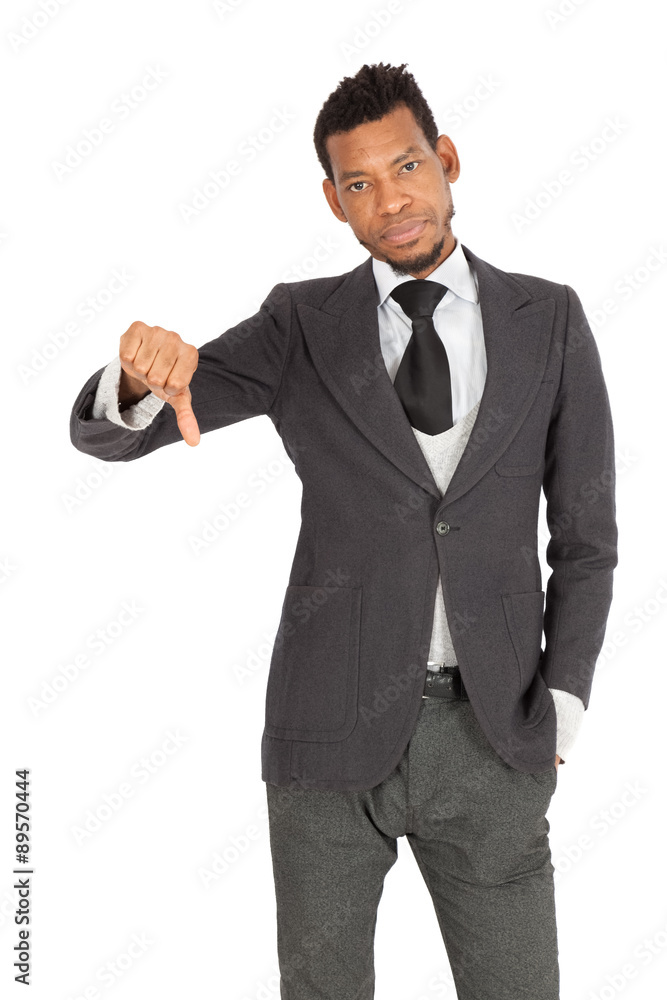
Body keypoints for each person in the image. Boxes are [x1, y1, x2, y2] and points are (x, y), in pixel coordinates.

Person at [70, 62, 618, 999]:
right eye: (358, 184)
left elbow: (586, 540)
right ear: (333, 202)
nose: (390, 201)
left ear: (446, 160)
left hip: (495, 736)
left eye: (406, 167)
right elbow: (130, 431)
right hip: (326, 739)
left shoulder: (549, 319)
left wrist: (560, 705)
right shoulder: (301, 325)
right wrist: (132, 383)